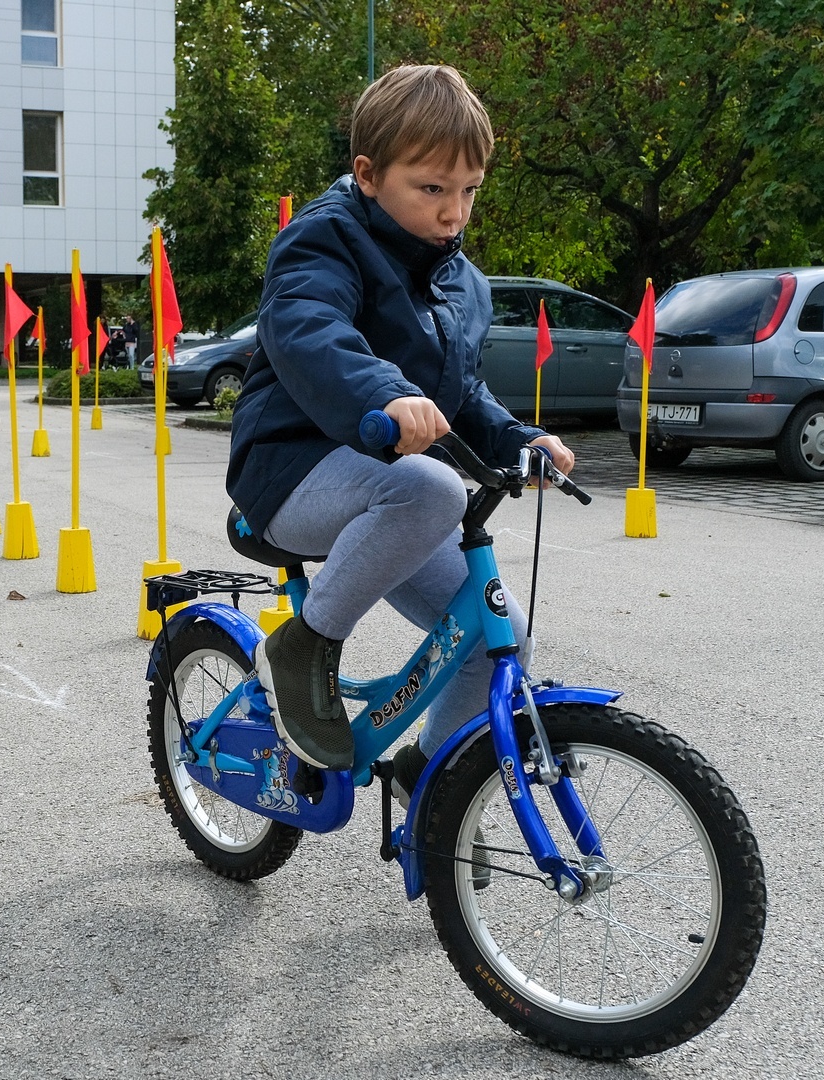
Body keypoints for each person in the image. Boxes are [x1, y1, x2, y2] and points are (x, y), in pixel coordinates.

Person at [227, 65, 575, 784]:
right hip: (290, 472)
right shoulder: (322, 240)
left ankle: (432, 785)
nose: (455, 214)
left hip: (388, 492)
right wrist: (385, 395)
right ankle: (303, 646)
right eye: (433, 189)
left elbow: (461, 391)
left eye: (470, 190)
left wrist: (519, 439)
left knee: (500, 638)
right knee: (431, 488)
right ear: (368, 174)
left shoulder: (460, 281)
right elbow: (309, 329)